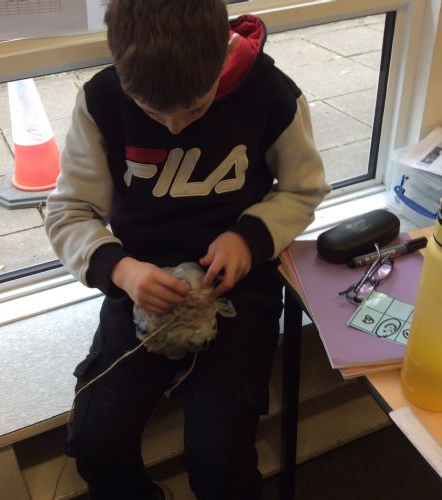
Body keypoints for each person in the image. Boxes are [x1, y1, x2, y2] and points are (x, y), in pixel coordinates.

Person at [45, 1, 330, 498]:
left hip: (239, 286)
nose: (174, 127)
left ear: (220, 60)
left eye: (195, 110)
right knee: (95, 442)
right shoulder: (102, 100)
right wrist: (122, 270)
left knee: (219, 457)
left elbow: (303, 190)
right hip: (141, 287)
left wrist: (249, 237)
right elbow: (69, 212)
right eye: (151, 112)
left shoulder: (271, 94)